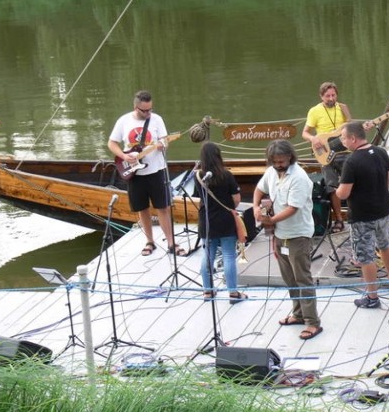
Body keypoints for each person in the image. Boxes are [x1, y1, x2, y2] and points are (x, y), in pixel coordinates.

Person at [253, 140, 323, 340]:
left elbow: (293, 208)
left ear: (290, 157)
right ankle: (298, 314)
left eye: (281, 161)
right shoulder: (272, 172)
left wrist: (270, 220)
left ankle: (312, 322)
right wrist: (257, 207)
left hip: (298, 235)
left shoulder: (299, 177)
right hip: (279, 234)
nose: (278, 164)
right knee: (289, 278)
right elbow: (259, 189)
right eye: (274, 161)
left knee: (303, 278)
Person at [108, 90, 186, 257]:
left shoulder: (157, 120)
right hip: (135, 173)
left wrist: (162, 144)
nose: (148, 113)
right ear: (136, 107)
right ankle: (149, 241)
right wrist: (123, 156)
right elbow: (112, 143)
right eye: (145, 110)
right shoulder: (124, 121)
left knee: (163, 207)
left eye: (150, 109)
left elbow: (165, 140)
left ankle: (171, 243)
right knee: (142, 209)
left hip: (157, 170)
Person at [336, 121, 389, 309]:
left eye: (343, 137)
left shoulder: (352, 161)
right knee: (384, 244)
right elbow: (388, 178)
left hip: (362, 216)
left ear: (353, 138)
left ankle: (372, 297)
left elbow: (343, 193)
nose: (342, 141)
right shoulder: (381, 152)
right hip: (383, 210)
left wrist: (336, 191)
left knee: (365, 257)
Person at [194, 142, 247, 304]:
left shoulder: (198, 176)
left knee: (208, 255)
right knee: (229, 255)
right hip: (225, 219)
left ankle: (208, 291)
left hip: (207, 220)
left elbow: (199, 198)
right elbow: (236, 200)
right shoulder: (227, 175)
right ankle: (233, 293)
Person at [302, 82, 352, 233]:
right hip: (325, 154)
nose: (331, 98)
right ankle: (338, 219)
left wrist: (352, 120)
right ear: (321, 96)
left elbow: (351, 127)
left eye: (333, 95)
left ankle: (354, 216)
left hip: (344, 151)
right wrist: (313, 139)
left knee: (351, 183)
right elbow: (305, 132)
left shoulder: (343, 108)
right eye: (327, 96)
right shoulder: (314, 111)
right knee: (331, 187)